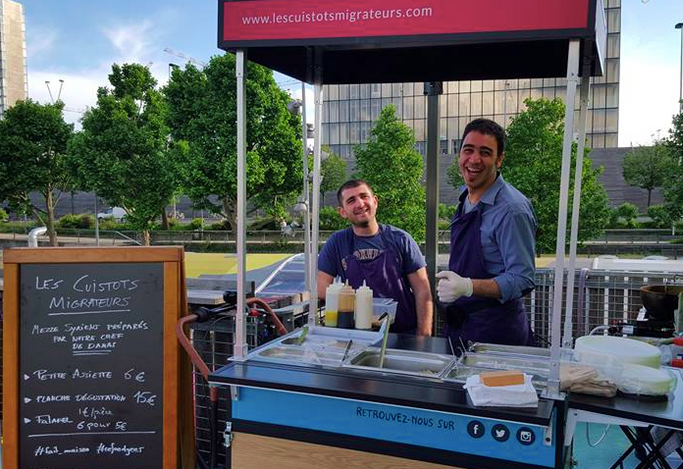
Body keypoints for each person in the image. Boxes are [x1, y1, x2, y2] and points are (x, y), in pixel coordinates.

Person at [436, 118, 537, 347]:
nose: (474, 160)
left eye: (485, 152)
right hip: (461, 324)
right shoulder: (466, 198)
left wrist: (468, 286)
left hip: (497, 331)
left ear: (499, 159)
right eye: (468, 150)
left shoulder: (512, 210)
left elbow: (523, 278)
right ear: (459, 154)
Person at [318, 179, 433, 336]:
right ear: (342, 212)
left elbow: (422, 290)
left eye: (364, 196)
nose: (360, 204)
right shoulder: (337, 243)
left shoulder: (401, 239)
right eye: (351, 200)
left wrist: (424, 335)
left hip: (403, 334)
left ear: (375, 201)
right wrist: (359, 305)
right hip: (357, 334)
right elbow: (322, 287)